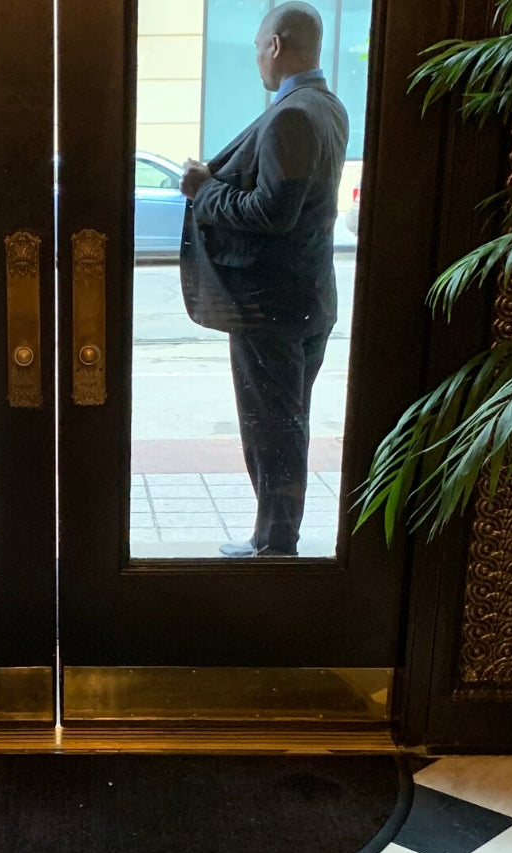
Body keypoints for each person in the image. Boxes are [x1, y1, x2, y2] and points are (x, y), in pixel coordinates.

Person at [179, 2, 348, 557]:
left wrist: (205, 190)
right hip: (309, 300)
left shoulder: (291, 115)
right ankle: (276, 539)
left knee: (272, 430)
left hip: (271, 308)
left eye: (257, 47)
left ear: (275, 45)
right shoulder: (330, 107)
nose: (256, 59)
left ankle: (274, 545)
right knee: (288, 423)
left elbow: (272, 213)